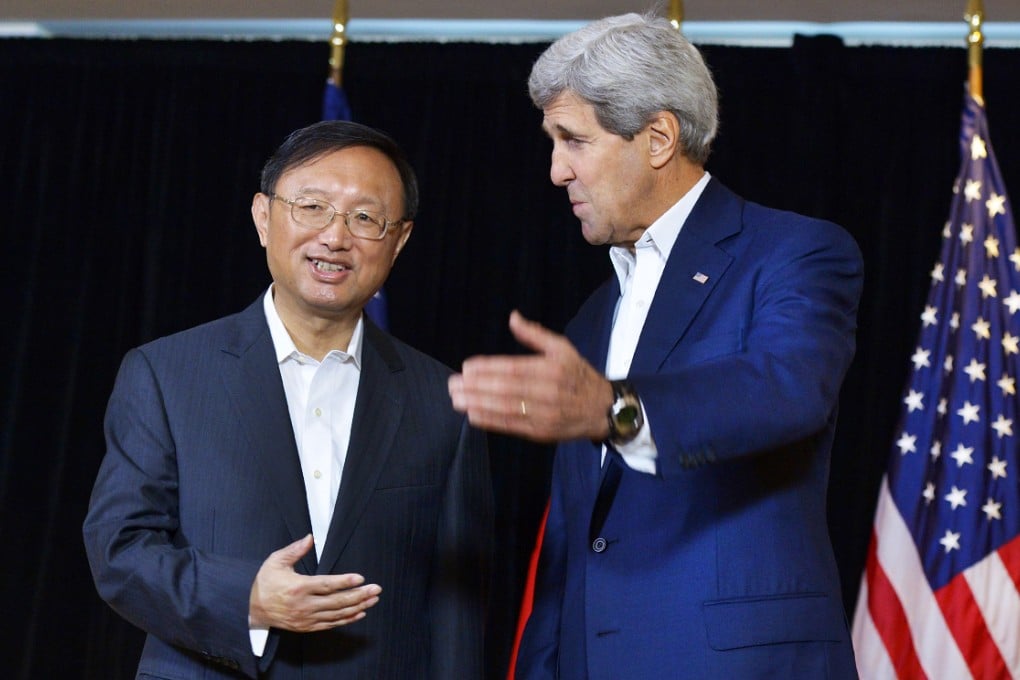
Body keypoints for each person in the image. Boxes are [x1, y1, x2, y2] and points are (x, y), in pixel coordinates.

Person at [448, 12, 862, 679]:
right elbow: (572, 538)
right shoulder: (591, 316)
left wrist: (616, 410)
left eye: (573, 140)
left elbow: (787, 388)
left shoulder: (793, 253)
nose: (556, 171)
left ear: (659, 137)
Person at [84, 120, 493, 678]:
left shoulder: (443, 401)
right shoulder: (166, 374)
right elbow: (120, 551)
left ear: (398, 242)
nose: (335, 236)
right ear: (262, 217)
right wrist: (246, 599)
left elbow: (456, 611)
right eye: (312, 206)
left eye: (365, 218)